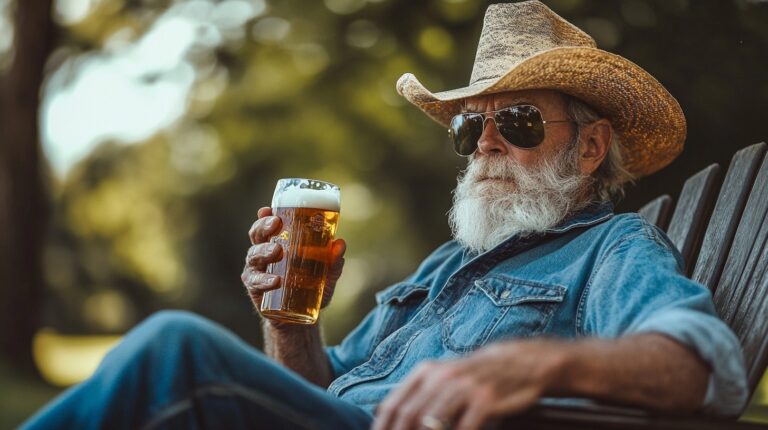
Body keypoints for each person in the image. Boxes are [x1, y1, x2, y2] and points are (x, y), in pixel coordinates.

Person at [22, 2, 748, 430]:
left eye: (519, 121)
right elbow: (319, 387)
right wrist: (289, 324)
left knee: (176, 349)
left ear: (591, 148)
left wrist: (534, 363)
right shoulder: (446, 267)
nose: (486, 143)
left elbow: (702, 362)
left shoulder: (614, 249)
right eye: (471, 127)